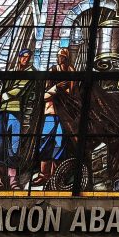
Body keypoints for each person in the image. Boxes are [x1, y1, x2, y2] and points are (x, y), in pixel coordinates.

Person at [0, 48, 35, 191]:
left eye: (28, 57)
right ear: (19, 57)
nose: (25, 59)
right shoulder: (12, 70)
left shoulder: (31, 72)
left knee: (13, 147)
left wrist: (0, 98)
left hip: (15, 112)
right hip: (1, 112)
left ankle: (13, 182)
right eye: (23, 57)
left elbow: (18, 90)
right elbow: (2, 89)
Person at [34, 47, 75, 188]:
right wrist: (56, 88)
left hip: (64, 116)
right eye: (59, 56)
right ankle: (44, 175)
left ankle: (56, 176)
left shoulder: (71, 71)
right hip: (50, 114)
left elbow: (72, 92)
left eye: (63, 56)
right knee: (45, 143)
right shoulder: (53, 71)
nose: (60, 58)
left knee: (59, 144)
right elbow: (45, 96)